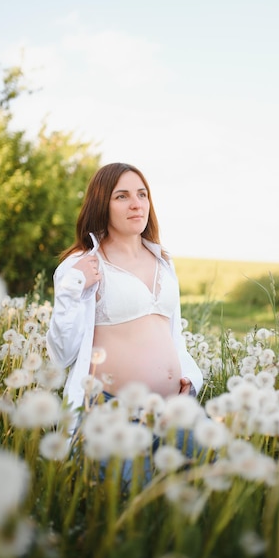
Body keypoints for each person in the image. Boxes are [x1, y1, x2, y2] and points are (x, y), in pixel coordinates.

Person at [46, 162, 203, 421]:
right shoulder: (82, 265)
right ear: (101, 205)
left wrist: (189, 378)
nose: (136, 204)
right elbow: (61, 355)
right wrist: (72, 287)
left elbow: (174, 336)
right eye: (122, 196)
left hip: (172, 410)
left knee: (219, 460)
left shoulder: (163, 261)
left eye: (142, 194)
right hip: (111, 412)